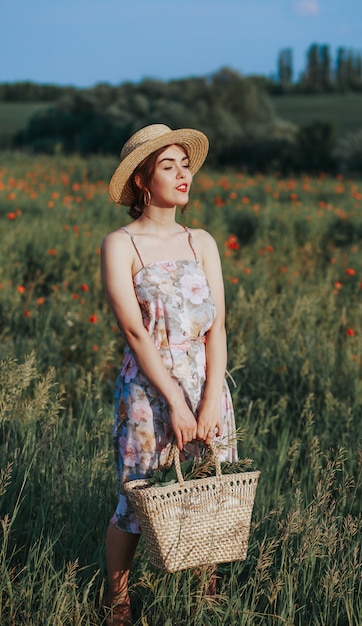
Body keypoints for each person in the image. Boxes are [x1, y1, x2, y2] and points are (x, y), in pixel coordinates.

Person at [101, 124, 238, 625]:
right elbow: (136, 334)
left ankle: (207, 597)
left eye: (186, 164)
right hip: (148, 390)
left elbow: (217, 326)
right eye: (168, 166)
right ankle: (118, 604)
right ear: (141, 180)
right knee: (136, 498)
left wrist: (206, 402)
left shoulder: (200, 240)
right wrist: (176, 405)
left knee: (207, 487)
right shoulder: (121, 245)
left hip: (206, 382)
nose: (183, 175)